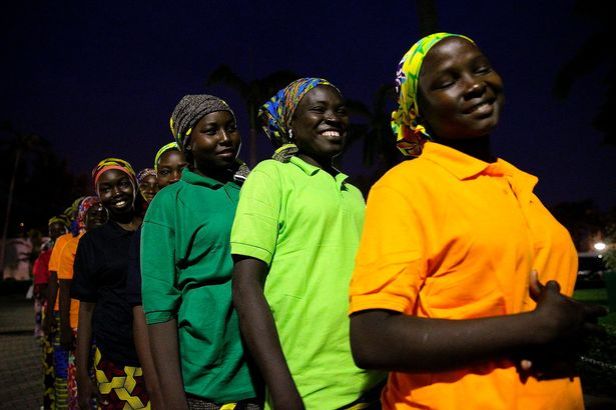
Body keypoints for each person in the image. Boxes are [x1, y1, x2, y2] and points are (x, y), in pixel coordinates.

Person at [348, 33, 606, 410]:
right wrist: (534, 328)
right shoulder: (407, 187)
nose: (473, 85)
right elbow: (372, 339)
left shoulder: (519, 185)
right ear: (418, 111)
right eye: (447, 81)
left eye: (481, 69)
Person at [230, 78, 384, 409]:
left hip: (374, 381)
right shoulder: (271, 176)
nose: (333, 118)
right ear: (291, 122)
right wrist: (283, 391)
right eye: (318, 109)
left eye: (340, 110)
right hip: (307, 390)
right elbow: (245, 287)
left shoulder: (353, 193)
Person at [141, 95, 258, 409]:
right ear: (188, 143)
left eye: (230, 128)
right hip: (207, 381)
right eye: (211, 130)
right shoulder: (169, 203)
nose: (225, 137)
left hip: (263, 369)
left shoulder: (253, 190)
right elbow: (159, 307)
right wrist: (173, 397)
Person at [71, 158, 150, 409]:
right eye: (106, 188)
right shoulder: (92, 243)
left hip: (163, 352)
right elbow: (86, 310)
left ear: (134, 184)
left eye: (122, 184)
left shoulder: (155, 229)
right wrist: (82, 374)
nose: (116, 193)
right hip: (115, 359)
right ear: (99, 195)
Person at [126, 141, 186, 409]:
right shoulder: (149, 229)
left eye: (183, 168)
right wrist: (155, 384)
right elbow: (143, 310)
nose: (175, 177)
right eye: (165, 171)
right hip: (172, 356)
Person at [57, 196, 108, 409]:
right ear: (82, 218)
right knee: (80, 379)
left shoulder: (111, 241)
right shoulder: (71, 246)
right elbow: (64, 291)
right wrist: (65, 328)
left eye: (102, 213)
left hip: (105, 324)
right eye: (92, 214)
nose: (98, 217)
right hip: (78, 324)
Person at [36, 215, 70, 409]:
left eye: (60, 229)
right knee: (56, 364)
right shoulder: (45, 254)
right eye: (53, 230)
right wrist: (49, 315)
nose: (56, 233)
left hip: (66, 312)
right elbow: (45, 286)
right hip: (54, 312)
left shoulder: (71, 245)